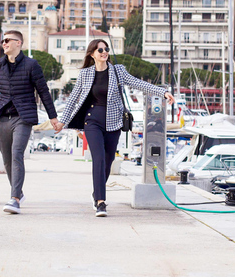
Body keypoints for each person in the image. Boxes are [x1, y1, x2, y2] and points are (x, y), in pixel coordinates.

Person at [55, 39, 173, 217]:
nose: (104, 52)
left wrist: (162, 92)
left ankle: (96, 192)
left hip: (113, 122)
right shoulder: (85, 74)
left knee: (108, 162)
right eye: (100, 49)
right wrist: (62, 121)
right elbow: (73, 99)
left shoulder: (118, 71)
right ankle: (101, 202)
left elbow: (138, 83)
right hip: (92, 121)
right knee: (99, 158)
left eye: (106, 49)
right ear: (92, 54)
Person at [0, 30, 59, 214]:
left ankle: (14, 199)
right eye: (3, 41)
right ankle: (18, 190)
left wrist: (53, 118)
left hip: (23, 117)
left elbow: (43, 92)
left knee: (16, 153)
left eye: (7, 40)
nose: (3, 43)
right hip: (1, 117)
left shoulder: (31, 65)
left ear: (18, 43)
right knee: (6, 160)